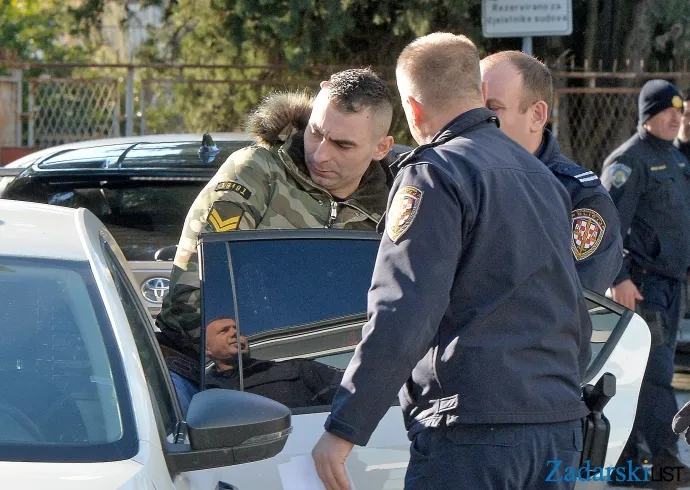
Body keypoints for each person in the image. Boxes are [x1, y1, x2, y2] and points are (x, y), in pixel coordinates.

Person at [312, 32, 591, 490]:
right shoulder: (544, 178)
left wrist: (345, 426)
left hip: (472, 434)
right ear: (477, 92)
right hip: (556, 429)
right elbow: (571, 306)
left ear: (413, 107)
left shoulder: (434, 172)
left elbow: (403, 310)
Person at [155, 68, 396, 410]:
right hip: (208, 378)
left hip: (333, 390)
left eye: (343, 145)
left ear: (381, 147)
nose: (320, 154)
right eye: (316, 132)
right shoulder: (256, 172)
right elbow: (192, 296)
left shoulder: (395, 211)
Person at [600, 79, 690, 485]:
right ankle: (666, 463)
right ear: (647, 116)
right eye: (666, 111)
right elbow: (606, 228)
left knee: (645, 376)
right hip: (640, 287)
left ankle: (629, 466)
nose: (675, 118)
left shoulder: (676, 159)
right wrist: (617, 277)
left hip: (671, 287)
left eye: (678, 111)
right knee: (654, 375)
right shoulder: (628, 161)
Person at [480, 50, 622, 295]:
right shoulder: (460, 182)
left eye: (493, 109)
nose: (478, 121)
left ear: (537, 115)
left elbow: (572, 300)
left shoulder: (579, 198)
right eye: (474, 111)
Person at [204, 317, 343, 409]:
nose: (235, 333)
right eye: (224, 331)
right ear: (207, 350)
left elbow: (351, 394)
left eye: (238, 331)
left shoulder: (298, 370)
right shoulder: (202, 393)